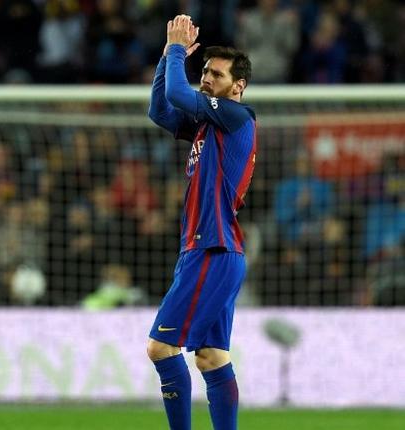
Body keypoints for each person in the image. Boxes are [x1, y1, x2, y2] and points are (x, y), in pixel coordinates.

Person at [146, 15, 256, 430]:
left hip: (211, 247)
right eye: (205, 71)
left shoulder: (234, 116)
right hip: (214, 251)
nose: (207, 79)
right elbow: (160, 109)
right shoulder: (208, 127)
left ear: (238, 85)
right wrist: (164, 59)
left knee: (161, 348)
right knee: (211, 357)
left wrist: (176, 50)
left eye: (216, 74)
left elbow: (178, 90)